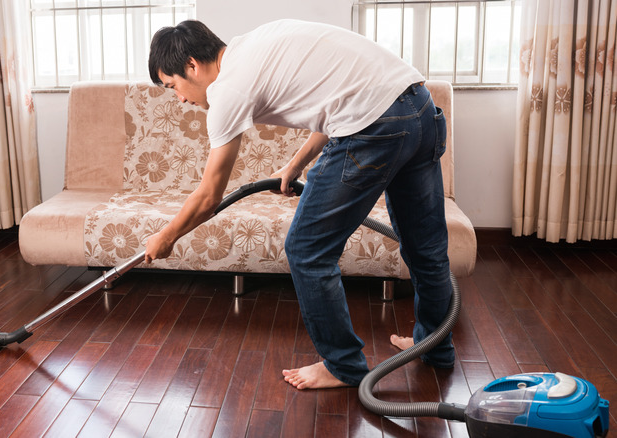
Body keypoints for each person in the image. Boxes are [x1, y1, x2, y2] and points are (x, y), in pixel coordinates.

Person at [145, 19, 454, 390]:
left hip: (376, 127)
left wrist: (167, 236)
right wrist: (296, 164)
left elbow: (210, 195)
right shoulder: (254, 42)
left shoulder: (227, 89)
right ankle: (435, 346)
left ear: (192, 65)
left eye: (173, 86)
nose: (179, 98)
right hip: (418, 105)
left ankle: (343, 366)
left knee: (307, 250)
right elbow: (341, 97)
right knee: (426, 247)